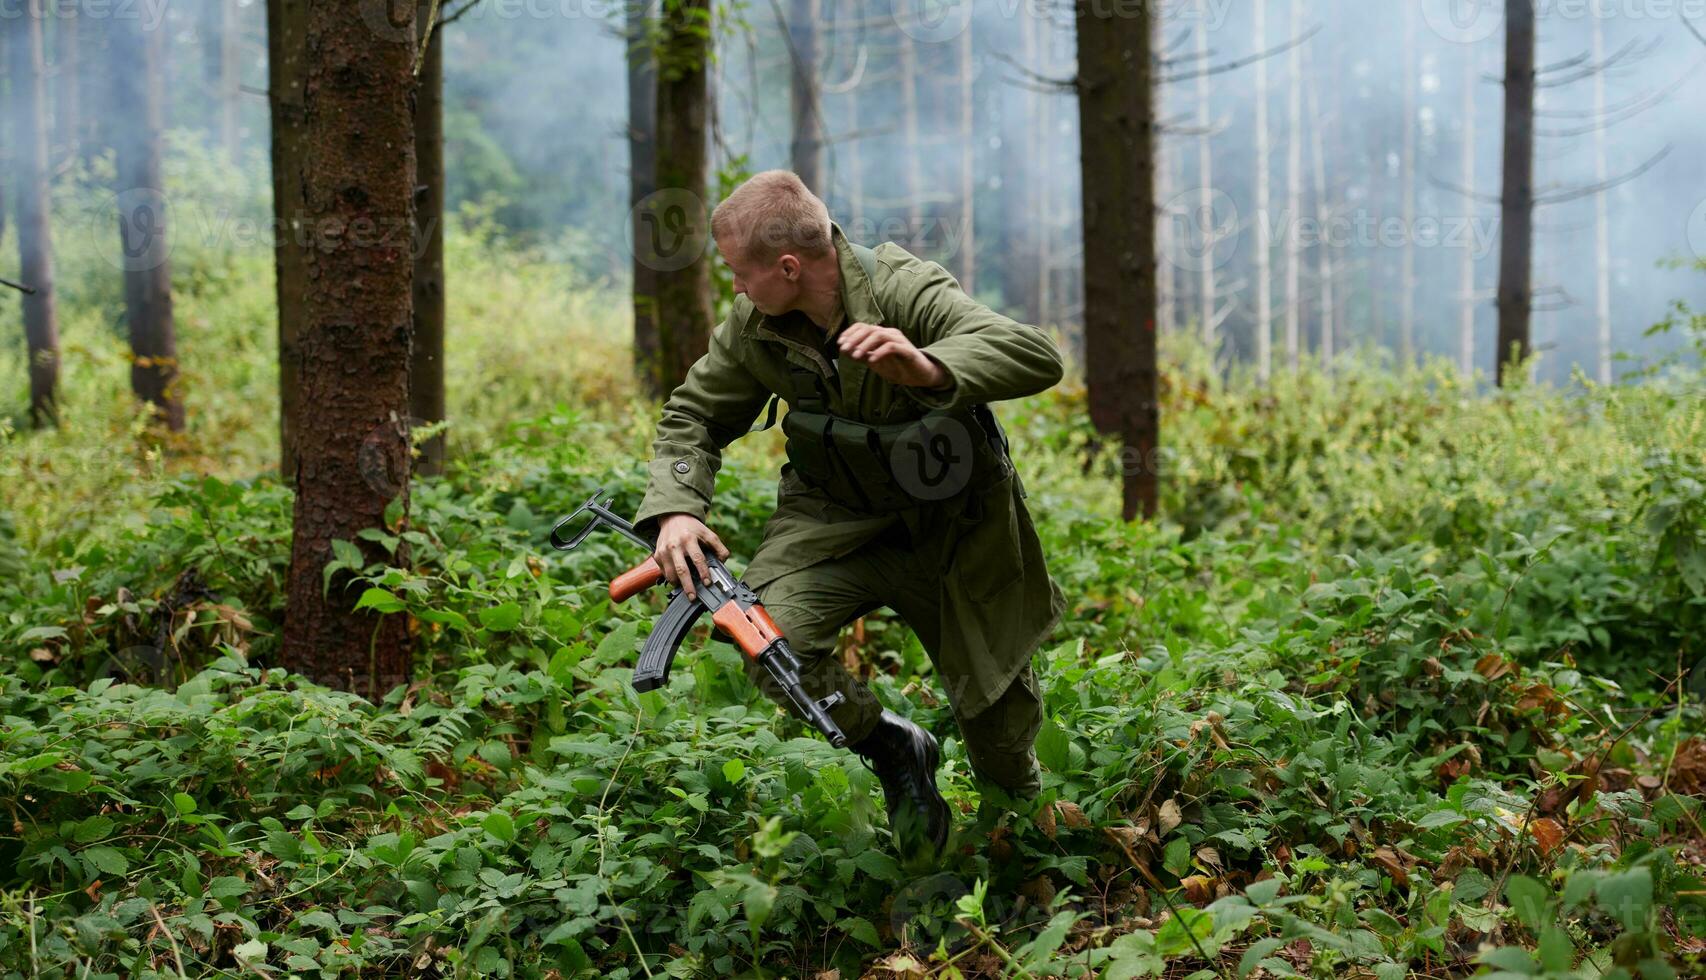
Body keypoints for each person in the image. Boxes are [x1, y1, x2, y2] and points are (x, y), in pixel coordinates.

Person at [631, 170, 1065, 858]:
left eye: (740, 273)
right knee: (771, 642)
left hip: (954, 531)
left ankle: (1014, 851)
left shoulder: (902, 288)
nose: (735, 289)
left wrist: (928, 368)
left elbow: (1034, 355)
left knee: (998, 719)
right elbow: (693, 416)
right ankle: (893, 745)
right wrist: (677, 510)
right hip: (836, 523)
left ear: (788, 266)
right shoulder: (756, 326)